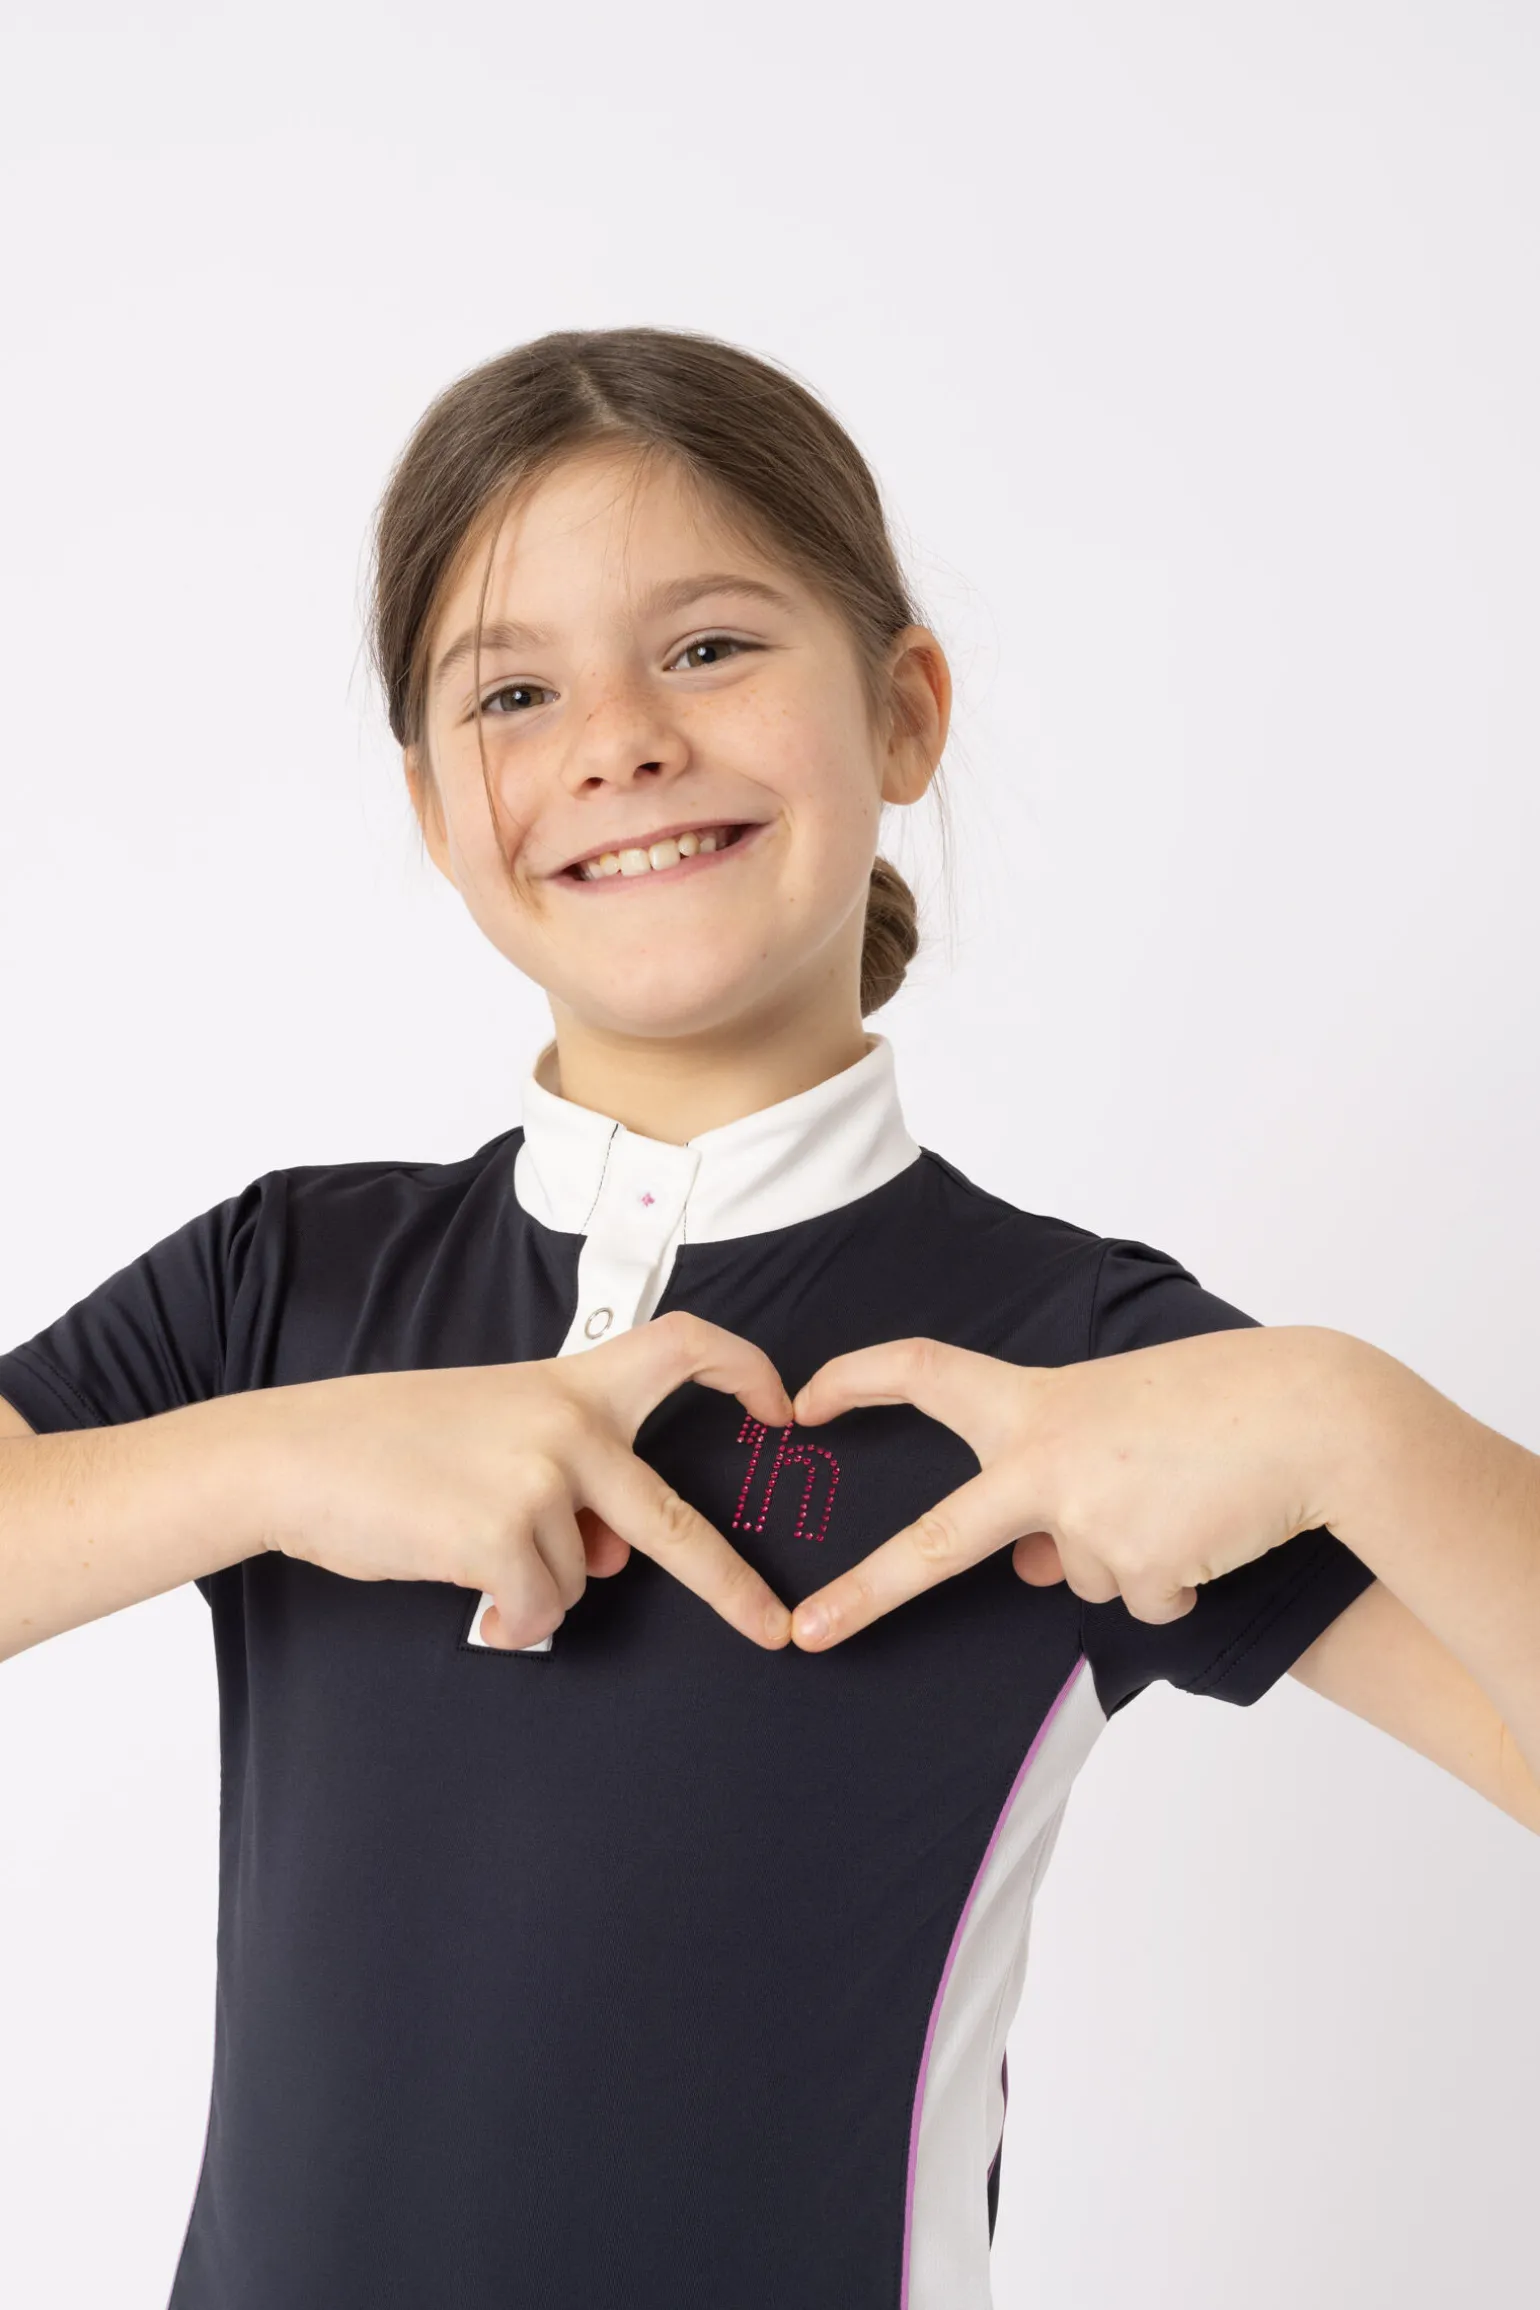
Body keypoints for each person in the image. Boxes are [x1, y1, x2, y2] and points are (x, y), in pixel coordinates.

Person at [0, 327, 1531, 2310]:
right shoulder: (284, 1282)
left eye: (708, 648)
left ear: (903, 712)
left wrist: (1345, 1417)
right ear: (435, 807)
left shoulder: (1081, 1366)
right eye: (516, 692)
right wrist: (282, 1459)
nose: (618, 740)